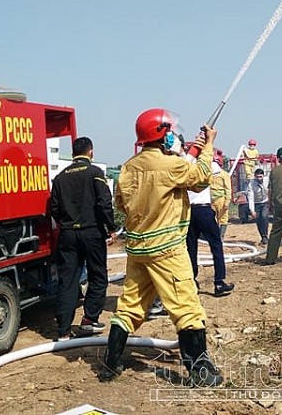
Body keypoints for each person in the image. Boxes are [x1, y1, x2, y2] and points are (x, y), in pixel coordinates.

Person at [102, 109, 222, 387]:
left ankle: (110, 362)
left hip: (138, 250)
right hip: (167, 250)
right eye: (169, 131)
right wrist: (209, 145)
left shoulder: (129, 167)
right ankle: (199, 370)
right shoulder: (171, 166)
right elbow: (202, 177)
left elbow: (121, 204)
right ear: (162, 134)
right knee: (186, 307)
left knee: (130, 306)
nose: (173, 135)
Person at [50, 136, 117, 340]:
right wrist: (111, 228)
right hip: (92, 232)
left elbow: (54, 208)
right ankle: (89, 319)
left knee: (68, 280)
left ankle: (63, 330)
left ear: (73, 154)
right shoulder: (95, 173)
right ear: (91, 152)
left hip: (68, 234)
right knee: (97, 275)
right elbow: (105, 203)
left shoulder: (60, 177)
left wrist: (67, 223)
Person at [186, 152, 235, 298]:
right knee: (216, 245)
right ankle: (219, 282)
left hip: (188, 211)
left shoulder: (181, 165)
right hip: (204, 209)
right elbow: (217, 168)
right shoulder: (204, 164)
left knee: (190, 247)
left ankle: (191, 281)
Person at [208, 150, 232, 240]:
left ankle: (221, 237)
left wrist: (227, 201)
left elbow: (228, 189)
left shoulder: (224, 175)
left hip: (221, 199)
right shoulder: (209, 175)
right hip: (211, 200)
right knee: (211, 218)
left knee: (223, 219)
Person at [249, 168, 270, 245]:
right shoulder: (251, 184)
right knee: (258, 220)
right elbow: (250, 197)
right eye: (257, 177)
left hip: (265, 202)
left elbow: (270, 190)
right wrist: (252, 210)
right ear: (254, 176)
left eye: (260, 177)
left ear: (263, 176)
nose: (259, 178)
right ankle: (262, 236)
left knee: (264, 217)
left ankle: (265, 236)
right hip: (256, 203)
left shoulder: (267, 181)